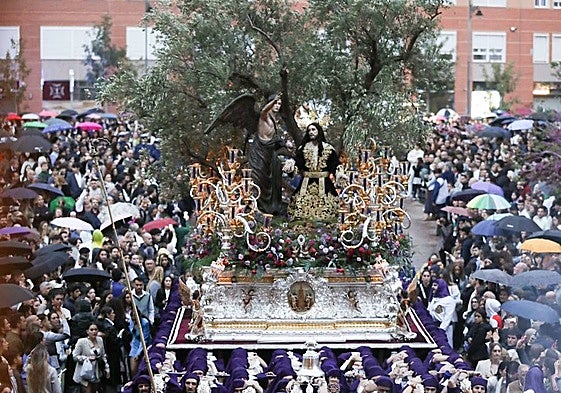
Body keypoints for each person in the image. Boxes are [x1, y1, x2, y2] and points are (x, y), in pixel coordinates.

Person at [288, 122, 340, 221]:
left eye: (313, 129)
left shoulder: (328, 148)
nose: (311, 132)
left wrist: (340, 174)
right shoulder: (303, 148)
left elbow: (335, 165)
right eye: (309, 130)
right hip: (306, 183)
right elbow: (297, 162)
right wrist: (291, 166)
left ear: (319, 131)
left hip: (324, 183)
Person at [248, 94, 286, 215]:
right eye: (275, 103)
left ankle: (270, 208)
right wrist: (274, 100)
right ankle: (256, 208)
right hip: (259, 154)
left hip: (269, 155)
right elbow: (264, 110)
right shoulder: (264, 117)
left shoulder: (275, 121)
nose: (277, 106)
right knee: (258, 181)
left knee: (270, 181)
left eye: (279, 104)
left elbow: (271, 140)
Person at [73, 323, 109, 393]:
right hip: (85, 372)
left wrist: (106, 367)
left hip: (97, 372)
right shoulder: (81, 342)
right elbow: (75, 356)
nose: (94, 331)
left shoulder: (100, 340)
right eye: (91, 330)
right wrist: (87, 359)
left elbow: (103, 355)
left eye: (96, 329)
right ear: (87, 331)